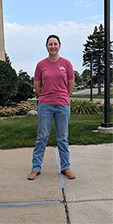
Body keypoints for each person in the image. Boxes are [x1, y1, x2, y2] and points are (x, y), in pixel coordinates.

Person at [27, 34, 75, 180]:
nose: (53, 46)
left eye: (55, 44)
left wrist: (63, 96)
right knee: (42, 137)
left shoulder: (66, 64)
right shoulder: (41, 65)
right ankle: (36, 168)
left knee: (62, 138)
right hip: (45, 105)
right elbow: (37, 85)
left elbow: (71, 83)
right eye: (50, 44)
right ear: (46, 46)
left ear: (59, 46)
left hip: (62, 105)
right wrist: (45, 97)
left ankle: (65, 167)